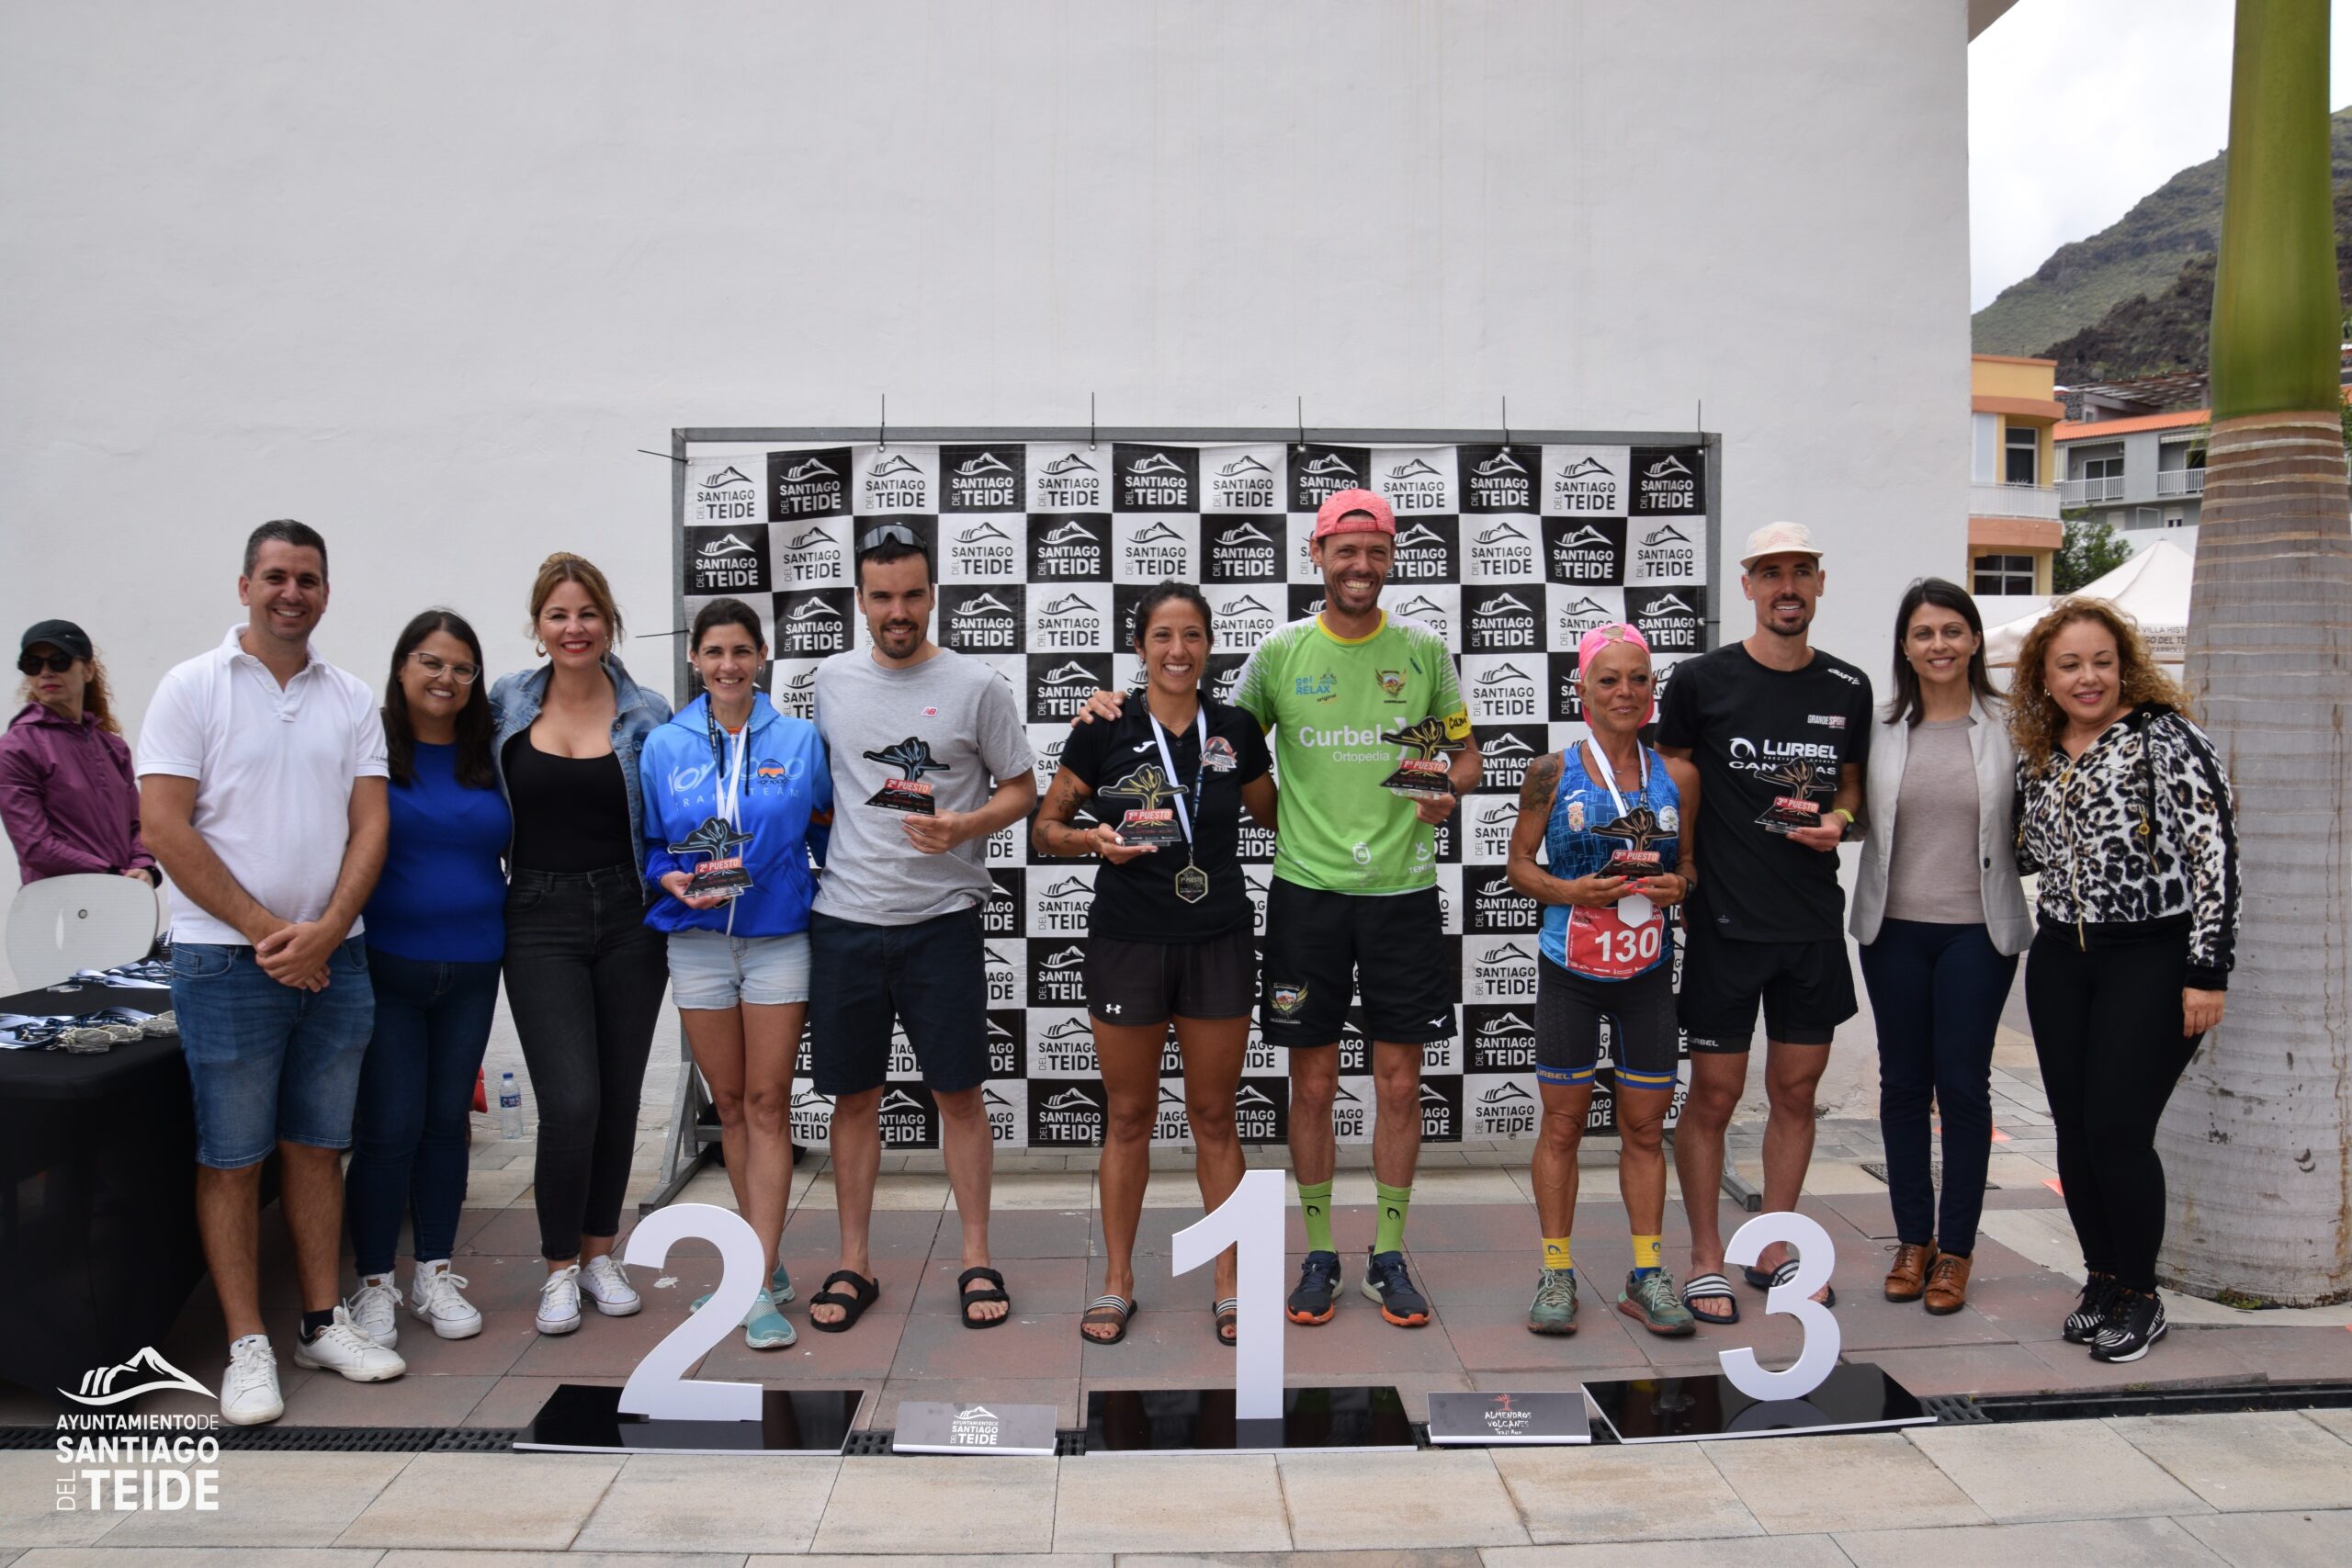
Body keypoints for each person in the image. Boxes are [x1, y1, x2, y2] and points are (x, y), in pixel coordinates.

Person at [1089, 488, 1479, 1327]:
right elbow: (1213, 736)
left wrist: (1447, 784)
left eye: (1376, 550)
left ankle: (1387, 1252)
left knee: (1402, 1085)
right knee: (1311, 1084)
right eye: (1347, 549)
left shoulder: (1424, 652)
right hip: (1305, 895)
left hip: (1404, 894)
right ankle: (1319, 1255)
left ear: (1393, 555)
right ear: (1318, 553)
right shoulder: (1277, 655)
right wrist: (1111, 705)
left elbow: (1467, 751)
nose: (1361, 565)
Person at [138, 520, 405, 1425]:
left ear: (326, 591)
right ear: (245, 585)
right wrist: (268, 934)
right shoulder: (191, 688)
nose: (294, 593)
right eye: (278, 577)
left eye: (310, 579)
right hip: (226, 962)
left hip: (339, 958)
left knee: (318, 1148)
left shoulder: (350, 696)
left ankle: (319, 1323)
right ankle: (249, 1343)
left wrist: (327, 930)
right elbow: (164, 826)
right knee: (232, 1158)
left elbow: (370, 825)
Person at [803, 525, 1037, 1333]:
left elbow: (1024, 790)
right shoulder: (829, 680)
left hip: (942, 922)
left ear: (933, 592)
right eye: (881, 596)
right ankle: (853, 1261)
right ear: (860, 600)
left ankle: (976, 1256)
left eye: (911, 594)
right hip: (842, 920)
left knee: (960, 1095)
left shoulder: (977, 686)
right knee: (855, 1099)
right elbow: (823, 788)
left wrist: (965, 824)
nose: (897, 611)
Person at [1034, 582, 1277, 1347]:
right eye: (1164, 635)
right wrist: (1091, 840)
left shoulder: (1235, 727)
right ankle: (1117, 1281)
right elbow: (1047, 826)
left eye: (1194, 635)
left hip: (1217, 940)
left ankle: (1229, 1281)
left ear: (1209, 646)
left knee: (1213, 1114)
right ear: (1139, 645)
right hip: (1128, 941)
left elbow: (1279, 814)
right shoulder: (1105, 725)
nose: (1179, 650)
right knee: (1130, 1115)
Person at [1656, 520, 1872, 1325]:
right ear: (1747, 586)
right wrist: (1678, 863)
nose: (1787, 586)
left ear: (1820, 582)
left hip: (1812, 923)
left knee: (1795, 1090)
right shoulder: (1700, 679)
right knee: (1712, 1093)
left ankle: (1777, 1246)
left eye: (1801, 571)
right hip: (1724, 921)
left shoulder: (1848, 686)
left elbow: (1851, 786)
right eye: (1771, 572)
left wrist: (1842, 819)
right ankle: (1707, 1256)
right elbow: (1674, 772)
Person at [2011, 597, 2237, 1363]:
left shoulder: (2168, 739)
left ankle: (2141, 1293)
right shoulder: (2039, 751)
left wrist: (2208, 971)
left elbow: (2217, 858)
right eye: (2069, 664)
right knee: (2074, 1131)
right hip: (2061, 960)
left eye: (2102, 661)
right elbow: (2025, 852)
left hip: (2151, 957)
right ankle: (2102, 1277)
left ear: (2125, 664)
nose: (2088, 677)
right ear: (2044, 676)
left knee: (2117, 1129)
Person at [639, 597, 831, 1350]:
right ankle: (767, 1263)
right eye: (714, 652)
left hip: (779, 936)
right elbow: (653, 843)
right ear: (695, 659)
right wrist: (668, 877)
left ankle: (752, 1279)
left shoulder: (800, 739)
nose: (728, 665)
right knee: (728, 1100)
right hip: (696, 941)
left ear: (762, 657)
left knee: (768, 1101)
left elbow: (825, 822)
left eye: (741, 651)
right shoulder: (664, 744)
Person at [490, 553, 672, 1337]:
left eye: (588, 613)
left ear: (610, 622)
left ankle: (601, 1252)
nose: (575, 627)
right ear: (538, 626)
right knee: (571, 1101)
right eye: (559, 614)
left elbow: (680, 813)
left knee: (621, 1096)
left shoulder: (651, 712)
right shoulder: (498, 705)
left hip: (630, 914)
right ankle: (559, 1266)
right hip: (536, 916)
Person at [1507, 622, 1699, 1337]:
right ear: (1581, 690)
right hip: (1572, 972)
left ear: (1654, 691)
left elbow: (1692, 868)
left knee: (1645, 1129)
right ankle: (1556, 1271)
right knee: (1561, 1124)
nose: (1625, 692)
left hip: (1647, 972)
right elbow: (1518, 865)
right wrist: (1572, 893)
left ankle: (1646, 1272)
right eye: (1609, 679)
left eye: (1638, 679)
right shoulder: (1551, 772)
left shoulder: (1678, 776)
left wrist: (1679, 883)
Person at [1849, 579, 2032, 1315]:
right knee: (1901, 1087)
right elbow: (1852, 811)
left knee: (1961, 1087)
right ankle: (1911, 1240)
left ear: (1976, 640)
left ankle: (1955, 1250)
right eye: (1924, 633)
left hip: (1978, 932)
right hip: (1892, 929)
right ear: (1905, 646)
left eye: (1953, 631)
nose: (1939, 645)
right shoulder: (1880, 725)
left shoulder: (2009, 724)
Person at [343, 611, 509, 1348]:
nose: (446, 677)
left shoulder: (491, 754)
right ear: (402, 668)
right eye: (430, 662)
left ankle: (433, 1272)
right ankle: (375, 1281)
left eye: (462, 667)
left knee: (447, 1123)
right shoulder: (369, 747)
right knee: (388, 1128)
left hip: (475, 966)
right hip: (387, 965)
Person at [1, 620, 158, 886]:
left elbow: (138, 824)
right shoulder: (16, 748)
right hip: (60, 905)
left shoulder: (113, 748)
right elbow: (35, 846)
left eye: (59, 661)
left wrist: (143, 866)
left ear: (88, 670)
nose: (46, 672)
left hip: (123, 898)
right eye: (33, 664)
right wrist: (112, 874)